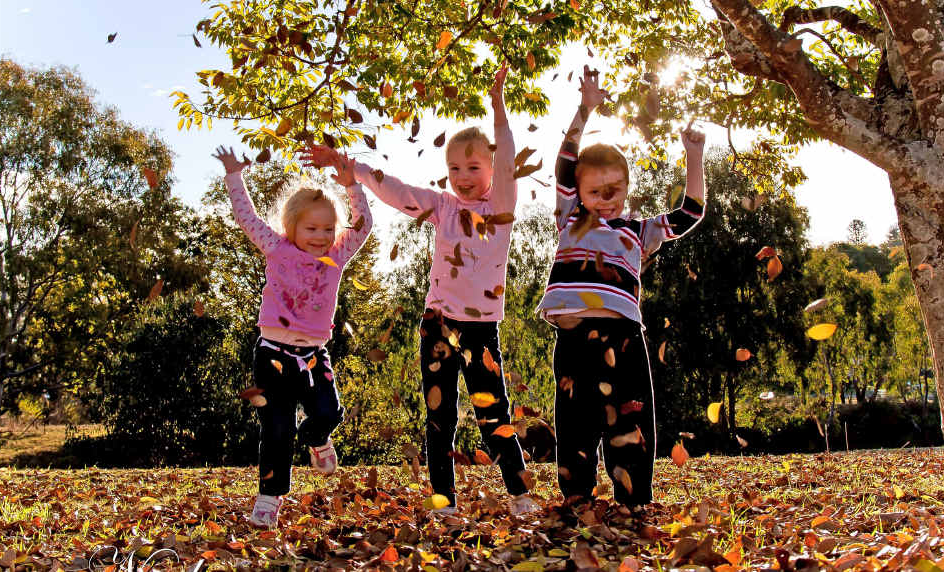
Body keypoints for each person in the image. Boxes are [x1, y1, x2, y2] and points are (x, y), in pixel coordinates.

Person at [303, 65, 539, 515]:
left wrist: (500, 112)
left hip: (480, 331)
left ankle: (519, 493)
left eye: (473, 166)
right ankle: (444, 500)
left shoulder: (501, 206)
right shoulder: (442, 206)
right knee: (440, 417)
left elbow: (507, 158)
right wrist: (352, 169)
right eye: (454, 168)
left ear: (491, 169)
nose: (463, 176)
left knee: (494, 418)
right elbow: (396, 190)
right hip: (437, 326)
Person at [536, 66, 706, 507]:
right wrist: (585, 109)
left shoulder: (638, 228)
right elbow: (565, 161)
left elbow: (689, 213)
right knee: (575, 420)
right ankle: (576, 496)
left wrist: (693, 158)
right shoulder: (570, 217)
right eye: (596, 190)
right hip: (575, 340)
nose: (606, 198)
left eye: (615, 189)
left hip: (625, 339)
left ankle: (633, 497)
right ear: (578, 193)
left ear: (628, 188)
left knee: (631, 419)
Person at [213, 146, 372, 528]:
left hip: (315, 356)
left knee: (328, 413)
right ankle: (269, 498)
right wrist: (234, 175)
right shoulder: (277, 247)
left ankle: (316, 438)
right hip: (272, 356)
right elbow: (246, 217)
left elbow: (362, 225)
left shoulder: (336, 255)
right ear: (291, 227)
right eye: (311, 228)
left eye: (327, 229)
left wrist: (352, 185)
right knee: (276, 429)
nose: (321, 237)